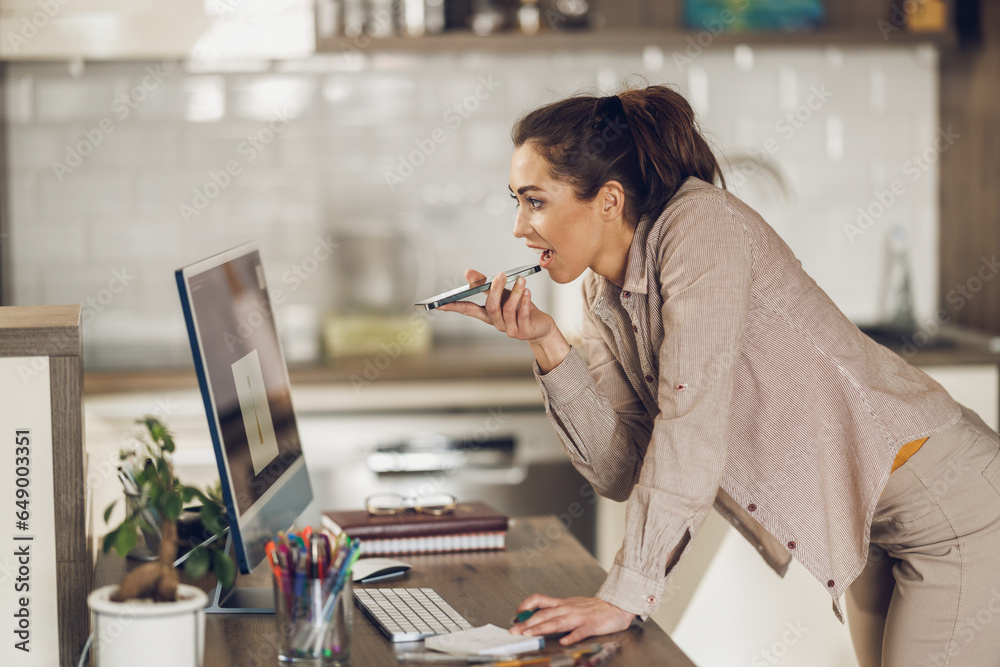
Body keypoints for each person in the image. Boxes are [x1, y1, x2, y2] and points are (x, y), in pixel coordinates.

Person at [438, 84, 1000, 665]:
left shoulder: (699, 227)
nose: (518, 228)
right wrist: (549, 344)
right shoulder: (602, 293)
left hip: (951, 513)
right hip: (872, 533)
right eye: (517, 201)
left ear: (607, 200)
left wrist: (624, 596)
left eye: (535, 201)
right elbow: (621, 468)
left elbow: (692, 422)